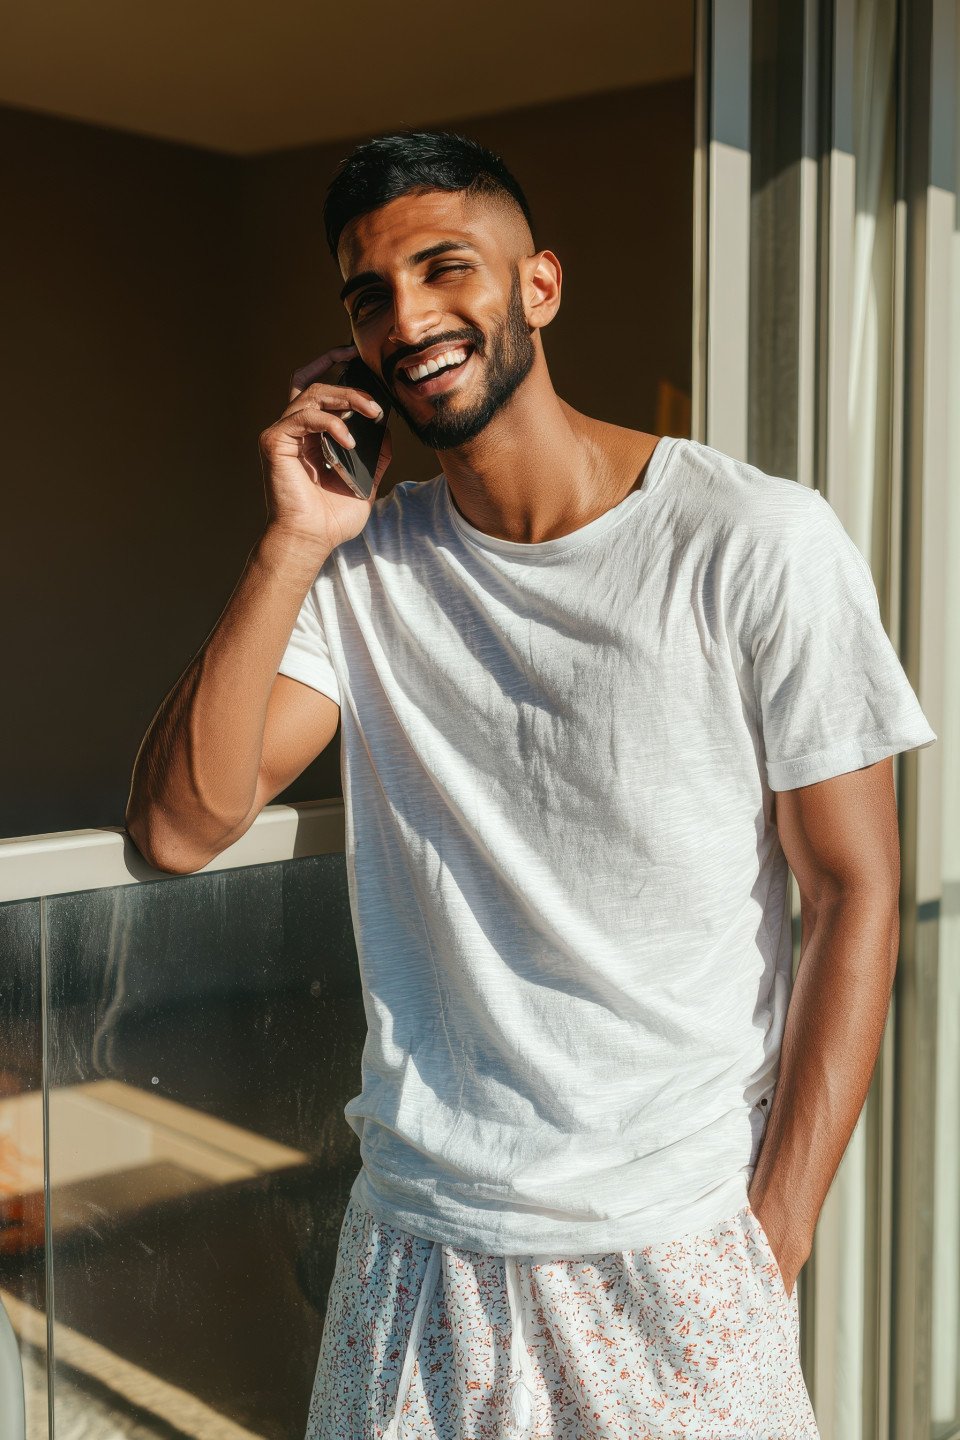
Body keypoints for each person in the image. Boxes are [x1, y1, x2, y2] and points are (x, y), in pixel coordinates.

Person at [125, 130, 937, 1439]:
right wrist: (293, 540)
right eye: (371, 295)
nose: (410, 317)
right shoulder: (363, 566)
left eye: (448, 268)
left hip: (675, 1251)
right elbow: (177, 825)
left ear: (541, 285)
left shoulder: (753, 542)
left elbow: (855, 893)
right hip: (418, 1252)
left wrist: (773, 1238)